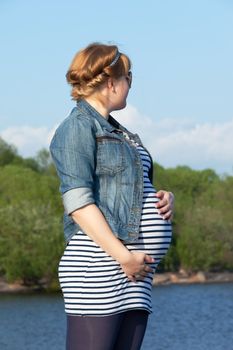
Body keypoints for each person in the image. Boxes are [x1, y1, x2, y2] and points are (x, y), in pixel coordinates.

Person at [49, 42, 174, 350]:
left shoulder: (123, 134)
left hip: (134, 272)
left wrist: (163, 198)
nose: (130, 84)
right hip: (101, 266)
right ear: (110, 81)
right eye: (129, 77)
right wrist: (124, 257)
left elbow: (129, 195)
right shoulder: (76, 127)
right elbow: (78, 202)